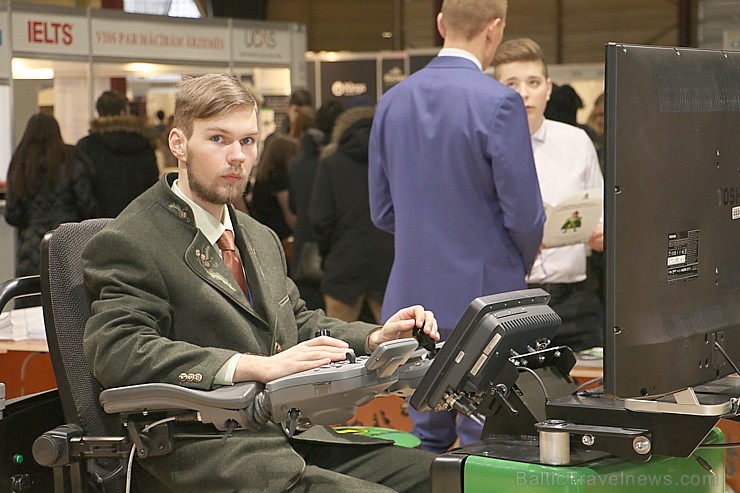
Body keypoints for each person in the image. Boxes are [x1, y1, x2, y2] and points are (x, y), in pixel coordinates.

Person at [81, 73, 438, 493]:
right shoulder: (131, 240)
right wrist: (254, 366)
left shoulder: (257, 235)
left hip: (288, 434)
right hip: (204, 449)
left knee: (441, 473)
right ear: (179, 144)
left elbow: (298, 320)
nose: (237, 157)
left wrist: (374, 337)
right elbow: (119, 349)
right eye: (218, 140)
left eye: (247, 141)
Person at [368, 0, 545, 454]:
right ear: (495, 29)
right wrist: (514, 265)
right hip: (488, 302)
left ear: (441, 23)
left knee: (425, 440)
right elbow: (525, 216)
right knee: (485, 441)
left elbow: (383, 212)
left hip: (410, 306)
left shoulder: (392, 101)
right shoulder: (500, 102)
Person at [492, 37, 604, 352]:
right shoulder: (483, 146)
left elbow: (601, 206)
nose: (524, 93)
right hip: (508, 302)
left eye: (533, 82)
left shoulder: (576, 141)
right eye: (511, 83)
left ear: (549, 88)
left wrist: (601, 232)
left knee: (585, 393)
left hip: (574, 301)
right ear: (496, 89)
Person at [309, 106, 394, 324]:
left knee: (338, 346)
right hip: (389, 265)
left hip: (343, 265)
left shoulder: (331, 163)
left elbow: (320, 217)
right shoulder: (395, 163)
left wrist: (328, 253)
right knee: (396, 345)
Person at [5, 113, 97, 307]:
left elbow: (12, 214)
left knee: (30, 300)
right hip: (67, 238)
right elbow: (87, 205)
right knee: (68, 304)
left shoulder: (20, 165)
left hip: (32, 244)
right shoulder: (72, 161)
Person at [288, 100, 345, 311]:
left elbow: (294, 205)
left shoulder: (300, 160)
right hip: (335, 257)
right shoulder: (341, 163)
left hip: (305, 252)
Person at [76, 90, 159, 218]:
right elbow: (153, 186)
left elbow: (82, 189)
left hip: (98, 222)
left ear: (99, 112)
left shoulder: (86, 146)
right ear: (123, 112)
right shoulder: (144, 143)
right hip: (138, 219)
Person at [250, 134, 299, 245]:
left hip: (263, 233)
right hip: (280, 237)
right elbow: (289, 216)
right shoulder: (280, 179)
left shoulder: (263, 178)